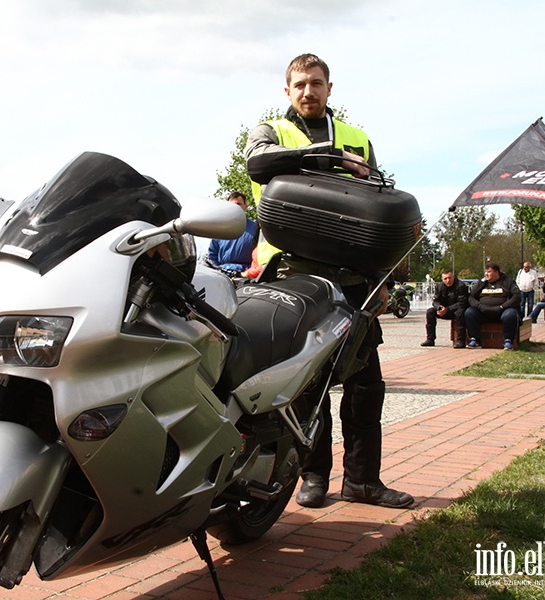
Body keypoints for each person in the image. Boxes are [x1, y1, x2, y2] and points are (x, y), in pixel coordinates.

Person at [245, 53, 412, 510]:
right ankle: (313, 475)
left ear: (329, 88)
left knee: (364, 386)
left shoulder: (358, 139)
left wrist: (381, 281)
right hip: (296, 278)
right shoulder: (270, 134)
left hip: (355, 279)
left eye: (316, 83)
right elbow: (256, 165)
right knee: (305, 386)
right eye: (299, 84)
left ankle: (363, 482)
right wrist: (318, 156)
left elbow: (378, 206)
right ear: (287, 91)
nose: (307, 92)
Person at [465, 262, 522, 350]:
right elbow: (471, 297)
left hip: (502, 311)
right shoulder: (482, 283)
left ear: (496, 272)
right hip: (483, 312)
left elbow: (517, 297)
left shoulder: (508, 282)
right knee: (469, 312)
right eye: (485, 272)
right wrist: (479, 306)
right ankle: (475, 340)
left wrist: (503, 306)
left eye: (489, 272)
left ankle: (508, 341)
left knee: (511, 313)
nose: (486, 274)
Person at [206, 192, 258, 273]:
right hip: (223, 274)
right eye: (233, 205)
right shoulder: (219, 229)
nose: (236, 207)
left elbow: (260, 255)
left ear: (245, 206)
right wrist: (218, 270)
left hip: (247, 275)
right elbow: (212, 254)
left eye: (239, 204)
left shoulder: (256, 229)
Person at [421, 269, 468, 348]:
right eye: (445, 279)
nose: (448, 280)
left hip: (455, 310)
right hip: (443, 310)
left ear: (453, 277)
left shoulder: (461, 286)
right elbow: (435, 300)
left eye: (449, 278)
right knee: (430, 312)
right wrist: (439, 307)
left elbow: (462, 303)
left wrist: (447, 309)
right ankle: (430, 339)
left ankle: (461, 341)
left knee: (460, 313)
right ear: (442, 279)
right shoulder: (439, 286)